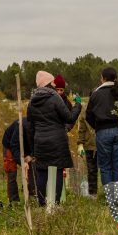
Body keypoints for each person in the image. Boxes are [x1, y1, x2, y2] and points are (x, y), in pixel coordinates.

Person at [27, 70, 81, 207]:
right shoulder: (54, 97)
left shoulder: (31, 102)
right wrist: (77, 107)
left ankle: (42, 204)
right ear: (48, 83)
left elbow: (30, 128)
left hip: (40, 142)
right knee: (57, 171)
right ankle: (55, 205)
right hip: (57, 141)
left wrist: (32, 149)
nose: (54, 83)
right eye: (52, 82)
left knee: (41, 173)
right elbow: (69, 117)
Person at [85, 67, 118, 185]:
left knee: (105, 166)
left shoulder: (95, 94)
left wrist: (97, 127)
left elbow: (88, 115)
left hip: (102, 131)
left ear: (103, 79)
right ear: (116, 78)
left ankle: (109, 197)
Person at [1, 117, 36, 204]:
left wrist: (31, 156)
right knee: (11, 171)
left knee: (33, 169)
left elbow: (39, 145)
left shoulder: (41, 128)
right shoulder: (20, 127)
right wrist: (22, 162)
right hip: (10, 145)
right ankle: (14, 201)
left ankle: (33, 196)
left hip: (27, 147)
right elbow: (14, 146)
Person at [77, 99, 98, 197]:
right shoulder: (84, 113)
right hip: (89, 145)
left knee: (105, 169)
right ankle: (93, 193)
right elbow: (81, 130)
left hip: (102, 145)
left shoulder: (102, 110)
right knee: (91, 170)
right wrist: (80, 143)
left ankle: (109, 192)